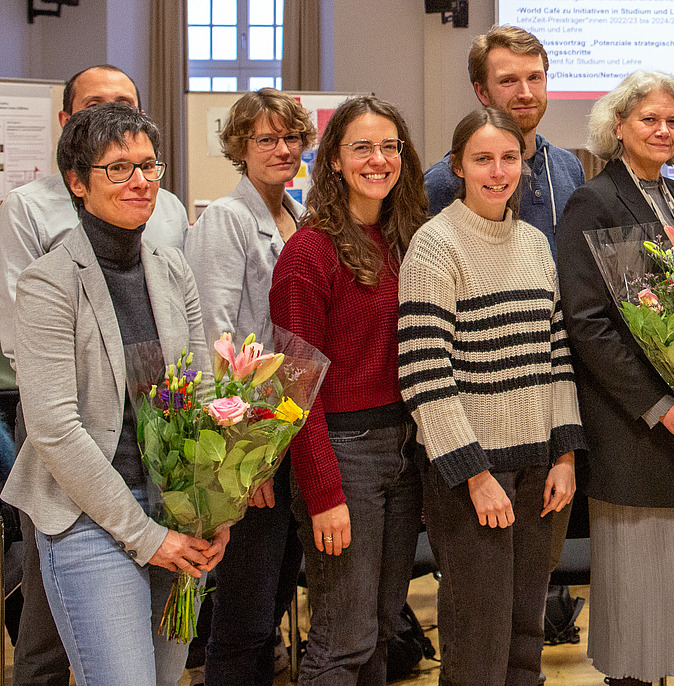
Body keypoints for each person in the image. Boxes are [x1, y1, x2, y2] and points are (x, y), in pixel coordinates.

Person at [0, 102, 224, 685]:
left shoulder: (172, 267)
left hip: (174, 506)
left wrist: (212, 507)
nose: (142, 181)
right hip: (87, 517)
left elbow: (195, 396)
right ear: (77, 183)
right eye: (119, 168)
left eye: (149, 166)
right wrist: (146, 536)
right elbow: (54, 428)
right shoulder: (48, 281)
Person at [400, 107, 582, 685]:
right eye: (482, 159)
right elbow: (424, 373)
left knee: (527, 635)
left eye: (509, 158)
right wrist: (476, 476)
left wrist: (565, 456)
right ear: (457, 167)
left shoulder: (533, 243)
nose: (498, 171)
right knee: (479, 639)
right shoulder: (434, 246)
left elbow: (556, 355)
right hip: (471, 475)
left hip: (539, 469)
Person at [555, 70, 674, 686]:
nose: (663, 130)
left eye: (673, 121)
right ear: (617, 126)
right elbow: (589, 324)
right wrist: (657, 406)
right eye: (649, 118)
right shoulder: (593, 200)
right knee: (634, 593)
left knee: (671, 589)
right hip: (632, 425)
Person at [268, 95, 427, 686]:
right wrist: (324, 493)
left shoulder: (407, 238)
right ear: (333, 160)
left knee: (383, 630)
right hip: (342, 454)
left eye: (390, 147)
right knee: (343, 638)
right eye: (362, 147)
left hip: (403, 452)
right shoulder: (308, 253)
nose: (379, 160)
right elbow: (292, 391)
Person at [185, 87, 315, 686]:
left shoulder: (300, 213)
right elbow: (211, 338)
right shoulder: (226, 221)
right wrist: (241, 456)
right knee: (244, 613)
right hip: (250, 443)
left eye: (291, 137)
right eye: (266, 138)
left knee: (276, 593)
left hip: (295, 430)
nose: (282, 149)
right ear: (240, 146)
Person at [424, 25, 586, 254]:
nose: (526, 93)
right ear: (482, 93)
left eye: (534, 78)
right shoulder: (445, 179)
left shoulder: (567, 167)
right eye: (508, 81)